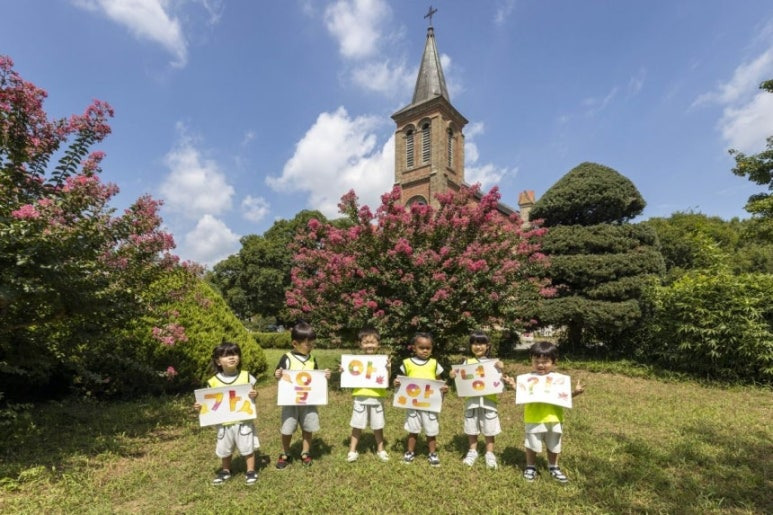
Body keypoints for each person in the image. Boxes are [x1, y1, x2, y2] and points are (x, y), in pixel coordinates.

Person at [503, 340, 585, 483]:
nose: (540, 365)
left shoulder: (558, 380)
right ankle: (530, 466)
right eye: (536, 361)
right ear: (531, 360)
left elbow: (563, 397)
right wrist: (513, 385)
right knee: (531, 444)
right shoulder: (528, 379)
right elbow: (523, 393)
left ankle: (554, 467)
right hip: (533, 417)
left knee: (554, 445)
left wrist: (575, 393)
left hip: (554, 418)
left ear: (554, 361)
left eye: (545, 361)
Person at [193, 341, 259, 486]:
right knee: (225, 448)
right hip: (223, 423)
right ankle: (225, 470)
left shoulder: (247, 377)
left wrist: (255, 394)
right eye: (226, 355)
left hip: (243, 421)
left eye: (235, 354)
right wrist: (200, 406)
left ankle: (250, 470)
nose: (231, 357)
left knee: (247, 446)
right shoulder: (213, 382)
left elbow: (253, 394)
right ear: (218, 361)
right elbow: (208, 402)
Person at [273, 321, 331, 469]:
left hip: (308, 401)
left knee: (308, 426)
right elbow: (278, 374)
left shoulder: (312, 358)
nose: (311, 347)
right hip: (290, 401)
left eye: (313, 344)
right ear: (295, 343)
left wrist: (324, 376)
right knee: (287, 427)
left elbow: (316, 377)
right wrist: (277, 374)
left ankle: (305, 452)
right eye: (307, 344)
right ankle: (285, 452)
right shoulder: (287, 358)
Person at [448, 330, 504, 469]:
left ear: (488, 346)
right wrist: (452, 375)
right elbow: (459, 377)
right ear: (470, 346)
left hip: (489, 401)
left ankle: (490, 453)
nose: (478, 346)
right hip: (471, 401)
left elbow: (500, 377)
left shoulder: (494, 363)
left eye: (481, 343)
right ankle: (472, 451)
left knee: (489, 427)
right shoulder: (467, 362)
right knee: (471, 426)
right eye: (474, 343)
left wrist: (502, 368)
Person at [393, 332, 449, 466]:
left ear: (432, 348)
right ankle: (410, 452)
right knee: (413, 429)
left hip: (429, 404)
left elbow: (439, 382)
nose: (425, 351)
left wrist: (444, 389)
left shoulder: (434, 363)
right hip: (413, 404)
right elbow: (401, 380)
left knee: (431, 430)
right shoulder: (407, 363)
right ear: (414, 348)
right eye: (421, 348)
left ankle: (432, 453)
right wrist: (396, 383)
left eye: (428, 348)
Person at [343, 327, 391, 463]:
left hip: (377, 397)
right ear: (360, 345)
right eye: (366, 342)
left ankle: (380, 449)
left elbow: (387, 379)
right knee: (357, 425)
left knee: (378, 425)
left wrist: (388, 369)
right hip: (360, 397)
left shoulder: (382, 361)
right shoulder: (355, 361)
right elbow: (348, 376)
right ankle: (352, 450)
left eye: (373, 342)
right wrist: (344, 370)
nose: (369, 345)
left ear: (378, 344)